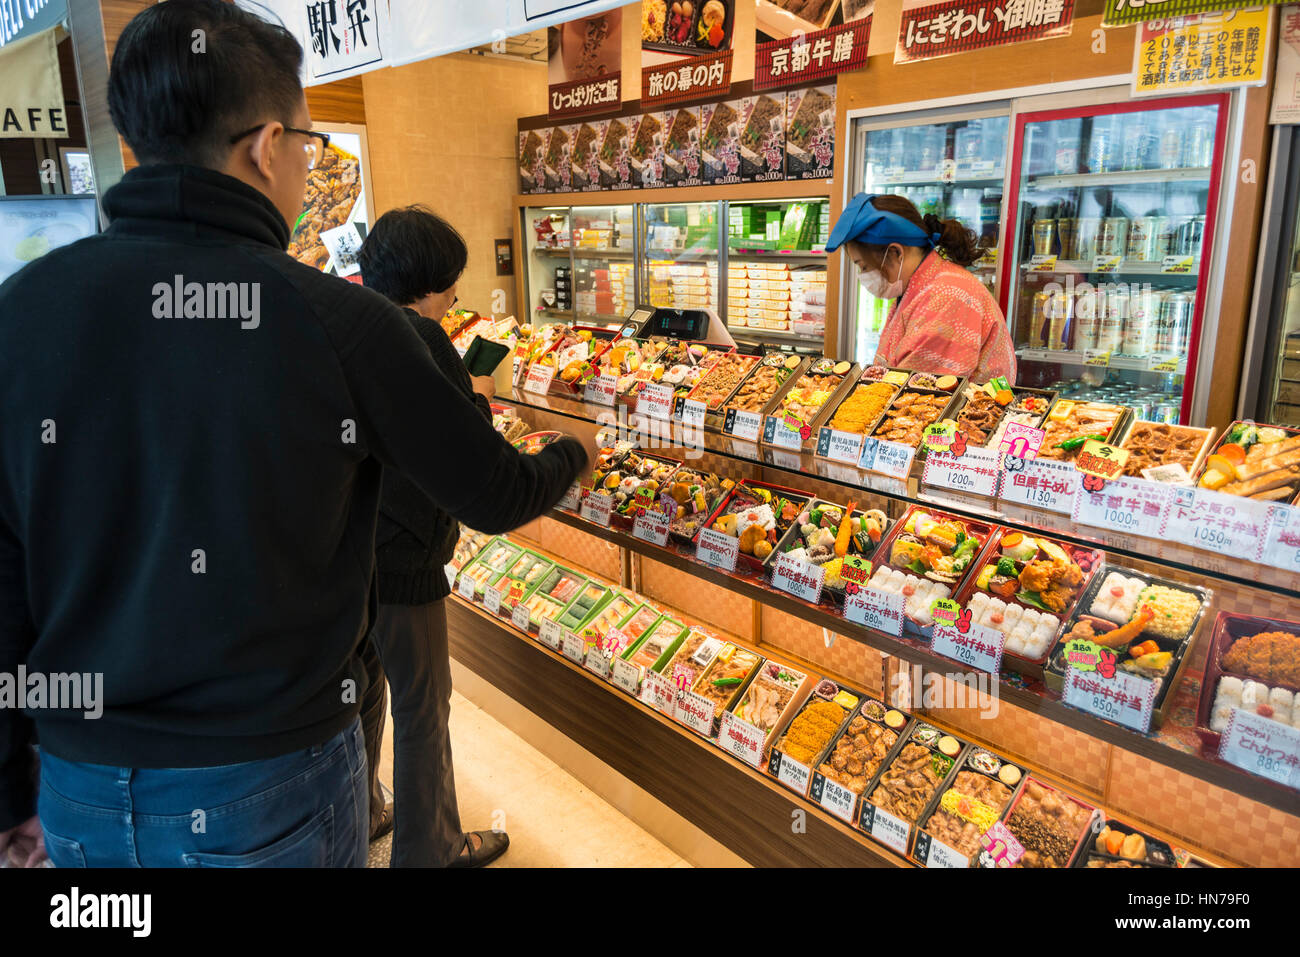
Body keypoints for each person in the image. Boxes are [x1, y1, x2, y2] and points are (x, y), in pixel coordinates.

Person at [0, 0, 587, 868]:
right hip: (265, 782)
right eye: (310, 145)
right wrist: (576, 452)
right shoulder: (339, 320)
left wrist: (13, 789)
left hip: (77, 782)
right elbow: (494, 492)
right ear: (269, 146)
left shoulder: (23, 311)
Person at [355, 206, 507, 868]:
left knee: (361, 689)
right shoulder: (424, 338)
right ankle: (431, 849)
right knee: (422, 705)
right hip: (405, 555)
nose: (455, 295)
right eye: (452, 281)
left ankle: (362, 810)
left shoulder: (352, 324)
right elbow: (463, 452)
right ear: (429, 279)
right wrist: (477, 391)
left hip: (351, 552)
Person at [827, 192, 1016, 383]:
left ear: (895, 252)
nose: (863, 275)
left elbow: (918, 389)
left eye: (864, 266)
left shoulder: (946, 296)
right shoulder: (921, 284)